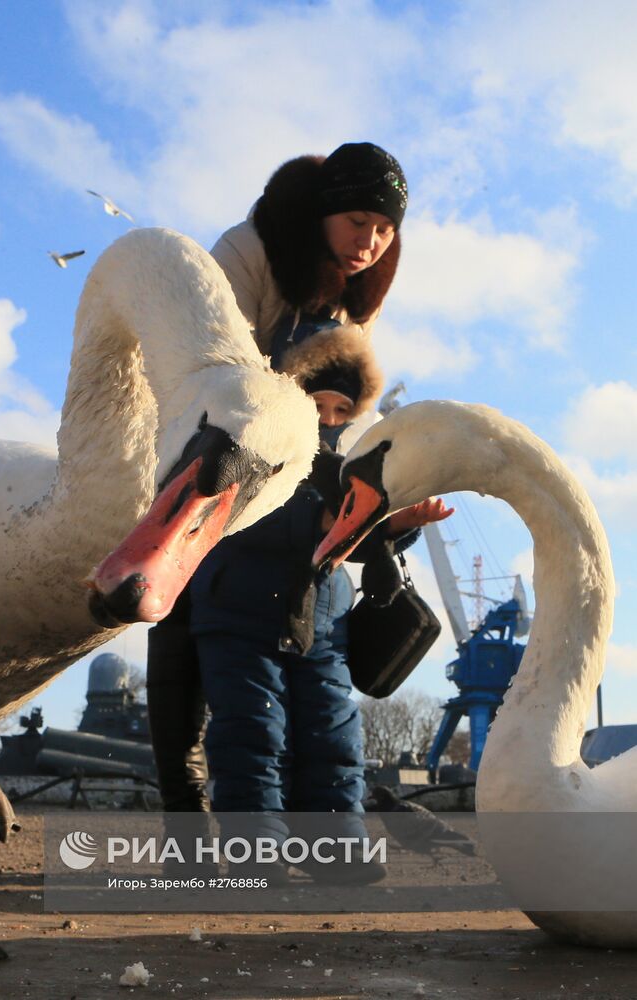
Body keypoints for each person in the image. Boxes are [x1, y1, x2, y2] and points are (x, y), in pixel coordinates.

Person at [145, 141, 410, 818]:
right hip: (205, 431)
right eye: (358, 223)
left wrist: (372, 506)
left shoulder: (359, 293)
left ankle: (308, 825)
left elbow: (341, 398)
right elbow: (206, 360)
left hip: (296, 471)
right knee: (177, 614)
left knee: (302, 685)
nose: (370, 244)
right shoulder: (246, 250)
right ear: (324, 212)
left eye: (385, 231)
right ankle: (186, 802)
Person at [187, 331, 450, 883]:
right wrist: (323, 523)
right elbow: (227, 519)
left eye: (340, 409)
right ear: (289, 396)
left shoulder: (347, 465)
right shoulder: (242, 446)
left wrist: (396, 525)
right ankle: (256, 857)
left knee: (333, 735)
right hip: (240, 612)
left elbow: (361, 544)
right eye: (316, 402)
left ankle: (333, 851)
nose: (328, 417)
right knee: (253, 733)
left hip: (323, 619)